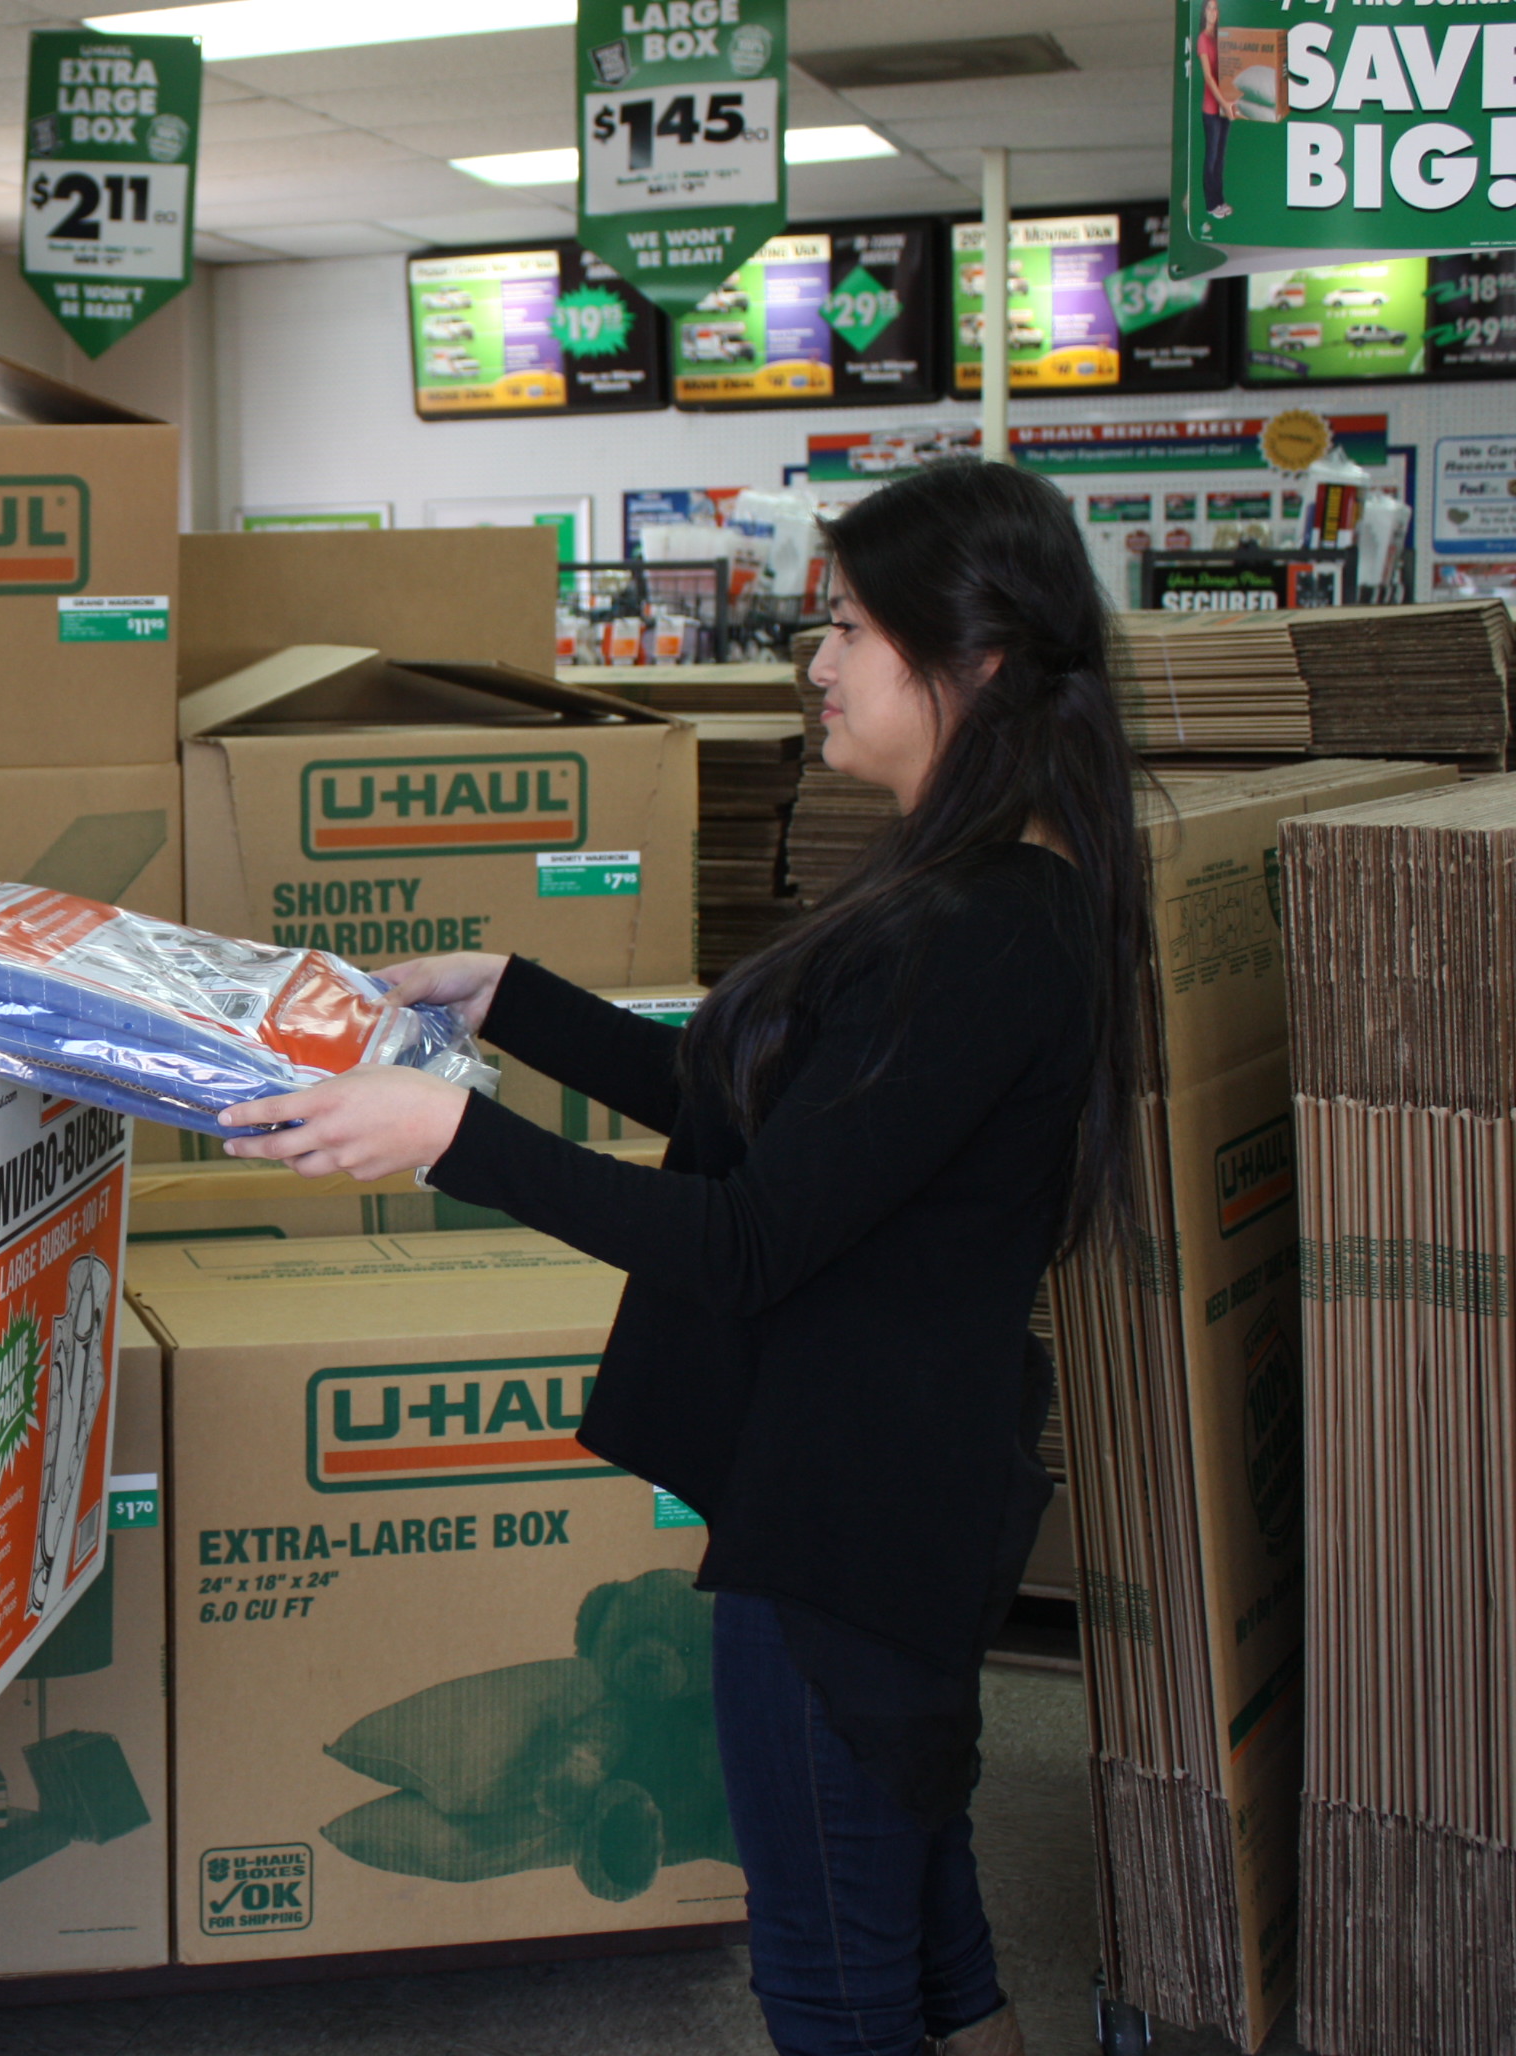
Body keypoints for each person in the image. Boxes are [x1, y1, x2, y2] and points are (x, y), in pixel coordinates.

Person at [219, 460, 1149, 2056]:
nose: (815, 661)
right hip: (883, 1494)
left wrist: (453, 1142)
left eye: (849, 628)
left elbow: (748, 1238)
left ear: (978, 660)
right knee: (936, 1955)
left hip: (851, 1532)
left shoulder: (987, 928)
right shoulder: (977, 889)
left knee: (836, 1985)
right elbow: (770, 1117)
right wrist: (505, 998)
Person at [1197, 0, 1239, 220]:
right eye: (1209, 8)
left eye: (1215, 8)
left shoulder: (1220, 38)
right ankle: (1211, 204)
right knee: (1212, 157)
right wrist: (1223, 102)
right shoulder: (1203, 39)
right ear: (1204, 13)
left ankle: (1219, 200)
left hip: (1225, 107)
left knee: (1220, 158)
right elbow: (1208, 76)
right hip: (1212, 108)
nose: (1212, 12)